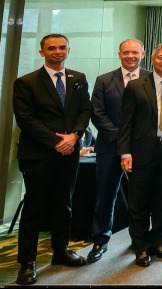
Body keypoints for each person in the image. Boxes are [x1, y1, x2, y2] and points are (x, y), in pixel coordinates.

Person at [12, 34, 92, 285]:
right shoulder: (26, 82)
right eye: (52, 48)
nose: (58, 52)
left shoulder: (78, 78)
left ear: (69, 49)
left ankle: (61, 251)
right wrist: (57, 141)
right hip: (39, 155)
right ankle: (27, 261)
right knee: (34, 207)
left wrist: (75, 136)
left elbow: (85, 110)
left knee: (63, 204)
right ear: (42, 52)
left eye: (62, 47)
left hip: (69, 155)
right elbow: (25, 119)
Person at [119, 43, 162, 267]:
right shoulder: (137, 86)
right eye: (161, 57)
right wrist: (125, 153)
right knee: (139, 201)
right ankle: (140, 246)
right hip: (142, 151)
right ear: (152, 59)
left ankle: (158, 241)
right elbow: (126, 123)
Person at [87, 38, 149, 264]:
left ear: (142, 54)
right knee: (105, 196)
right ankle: (100, 240)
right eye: (126, 52)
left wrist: (134, 142)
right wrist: (121, 140)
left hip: (142, 148)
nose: (130, 56)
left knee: (141, 198)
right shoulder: (104, 80)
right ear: (119, 54)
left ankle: (139, 241)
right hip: (109, 148)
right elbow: (97, 112)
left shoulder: (151, 79)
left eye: (135, 52)